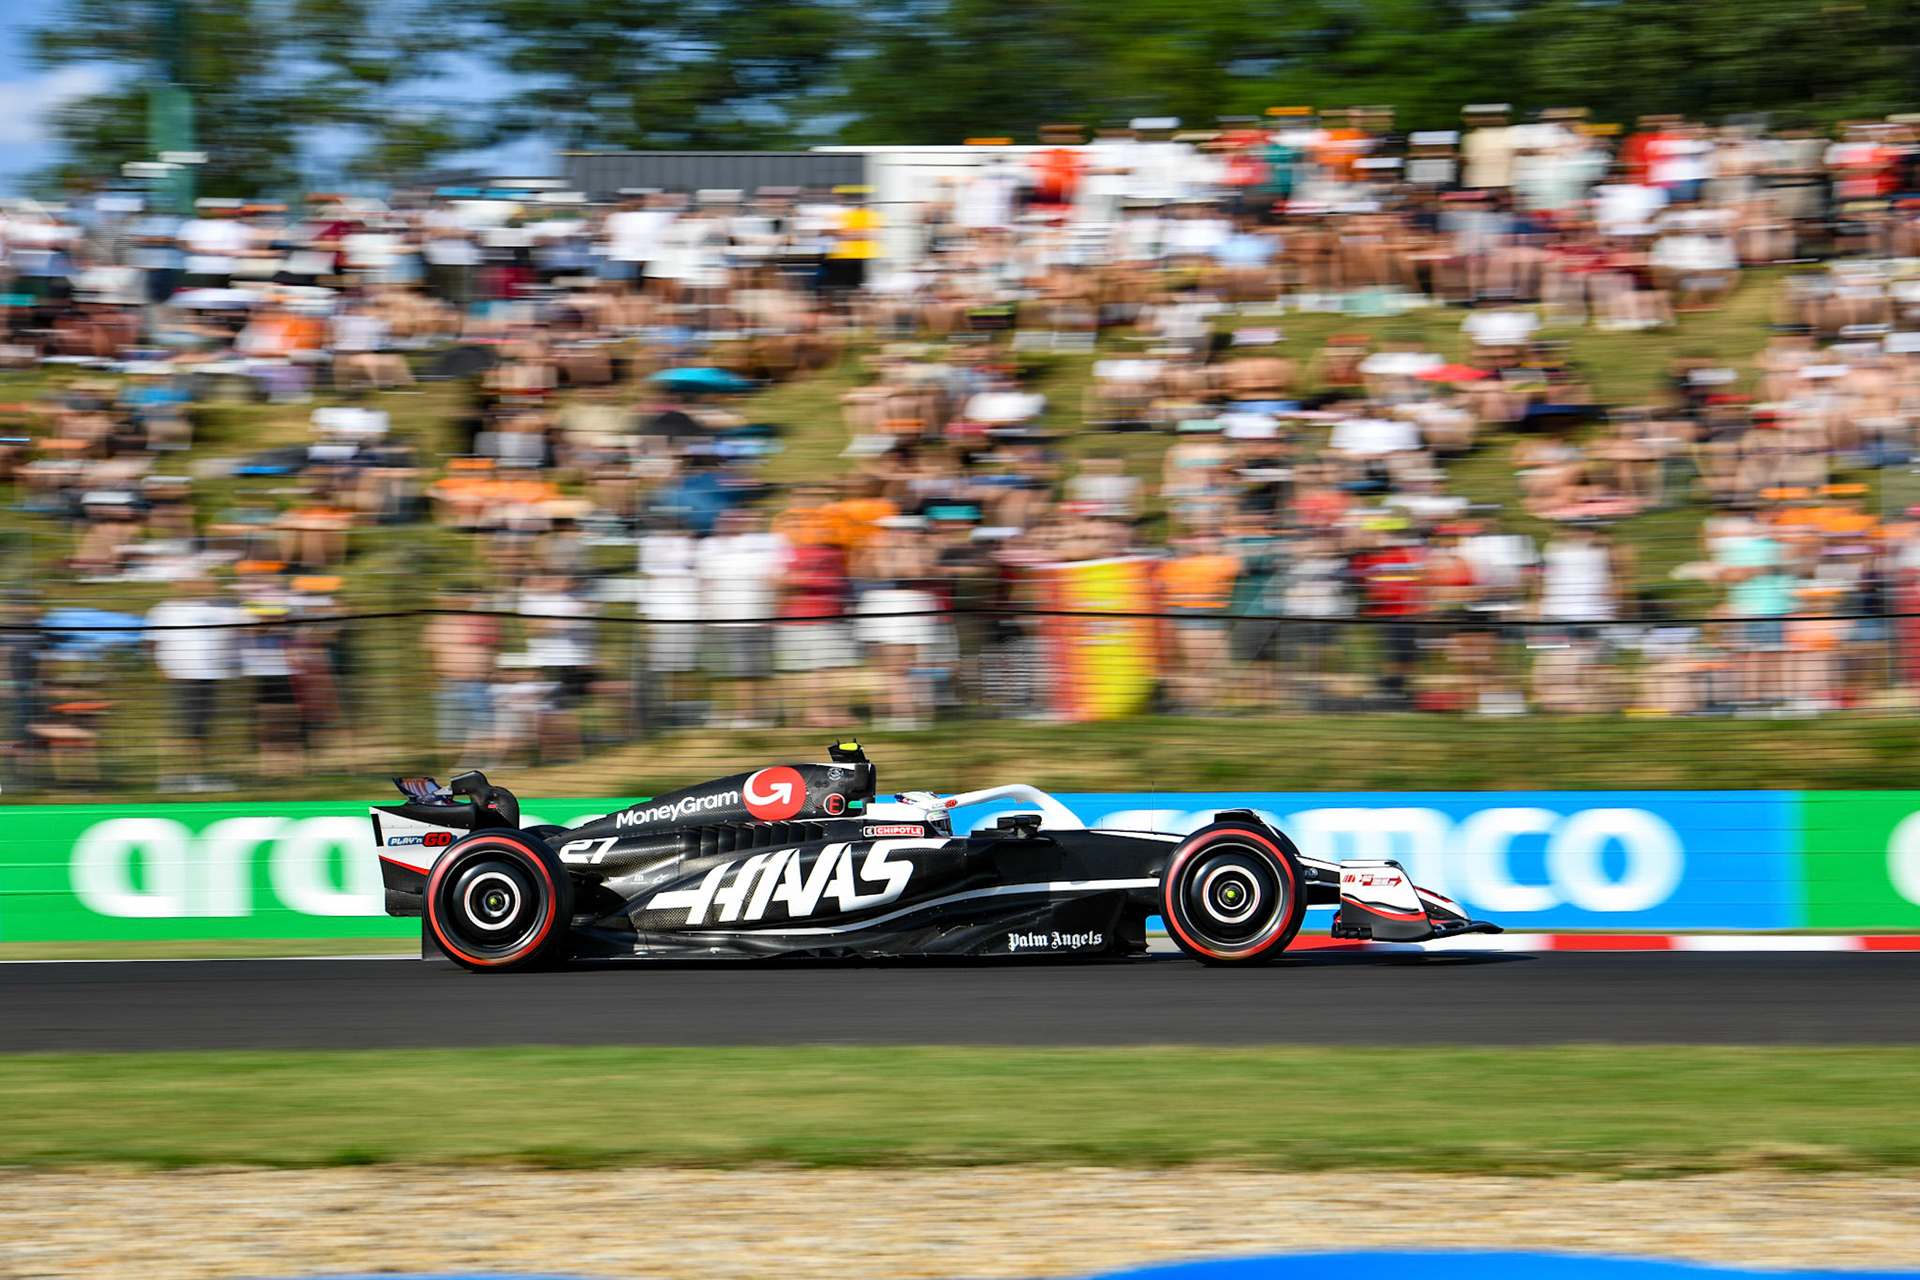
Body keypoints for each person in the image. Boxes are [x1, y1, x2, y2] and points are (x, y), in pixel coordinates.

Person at [143, 578, 240, 792]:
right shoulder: (164, 610)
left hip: (210, 676)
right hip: (182, 676)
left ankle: (197, 775)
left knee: (202, 729)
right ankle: (176, 776)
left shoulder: (219, 609)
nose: (204, 586)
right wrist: (161, 668)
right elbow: (150, 641)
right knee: (184, 729)